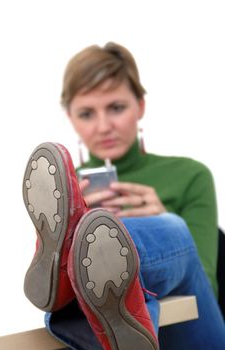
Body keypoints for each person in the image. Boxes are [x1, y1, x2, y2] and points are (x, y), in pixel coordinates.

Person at [22, 42, 225, 349]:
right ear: (70, 117)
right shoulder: (63, 186)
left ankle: (72, 257)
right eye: (87, 113)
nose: (104, 126)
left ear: (140, 105)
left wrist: (158, 219)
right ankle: (87, 270)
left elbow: (205, 285)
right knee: (106, 290)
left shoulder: (191, 175)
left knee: (173, 228)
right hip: (112, 325)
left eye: (116, 108)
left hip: (194, 329)